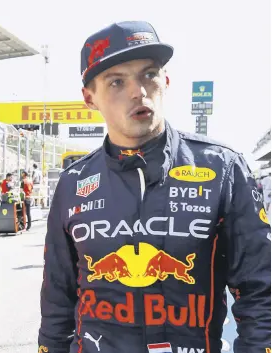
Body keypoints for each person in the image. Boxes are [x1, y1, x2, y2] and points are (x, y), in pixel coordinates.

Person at [38, 21, 270, 353]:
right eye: (117, 81)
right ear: (90, 98)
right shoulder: (73, 183)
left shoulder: (222, 168)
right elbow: (56, 302)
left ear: (166, 80)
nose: (138, 92)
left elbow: (261, 293)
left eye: (149, 74)